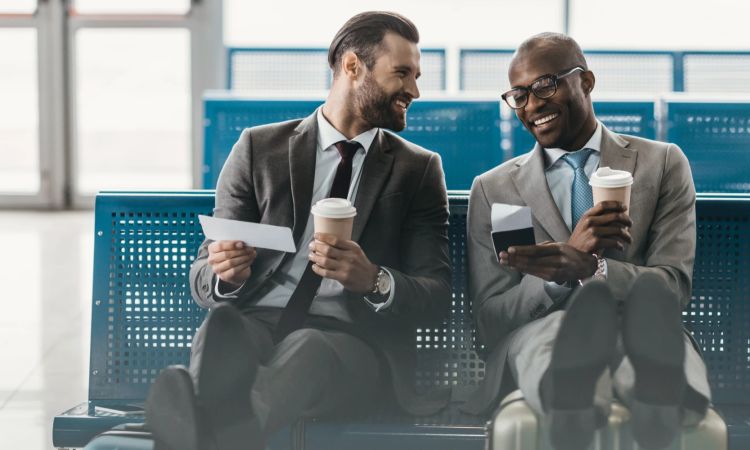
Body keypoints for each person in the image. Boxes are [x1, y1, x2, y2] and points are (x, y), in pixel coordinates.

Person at [144, 11, 452, 450]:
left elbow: (435, 294)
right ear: (352, 67)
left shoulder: (416, 170)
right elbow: (202, 278)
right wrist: (225, 275)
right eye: (401, 73)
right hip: (257, 326)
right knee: (222, 328)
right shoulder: (259, 149)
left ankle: (201, 429)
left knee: (308, 346)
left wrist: (374, 280)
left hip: (352, 346)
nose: (414, 90)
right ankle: (225, 432)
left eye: (416, 76)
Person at [462, 33, 710, 450]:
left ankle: (657, 400)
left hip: (639, 327)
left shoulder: (661, 164)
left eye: (545, 85)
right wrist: (561, 273)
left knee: (651, 340)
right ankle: (577, 400)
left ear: (587, 82)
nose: (533, 105)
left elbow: (672, 286)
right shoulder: (496, 190)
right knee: (554, 333)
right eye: (519, 95)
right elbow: (492, 319)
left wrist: (594, 269)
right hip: (540, 328)